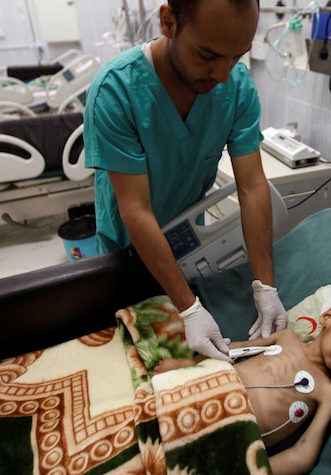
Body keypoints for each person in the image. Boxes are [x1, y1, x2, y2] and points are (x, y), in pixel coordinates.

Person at [83, 0, 286, 363]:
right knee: (134, 350)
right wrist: (189, 309)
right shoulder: (116, 92)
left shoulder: (236, 88)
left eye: (236, 57)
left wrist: (265, 286)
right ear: (169, 21)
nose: (223, 75)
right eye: (208, 55)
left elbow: (252, 186)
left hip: (187, 237)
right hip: (127, 244)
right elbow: (136, 209)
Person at [155, 291, 331, 475]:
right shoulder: (286, 338)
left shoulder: (329, 392)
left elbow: (303, 454)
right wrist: (186, 364)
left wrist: (249, 472)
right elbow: (232, 351)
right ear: (328, 316)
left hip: (223, 442)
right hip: (191, 397)